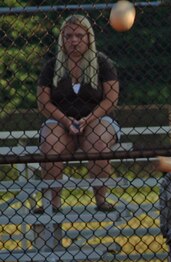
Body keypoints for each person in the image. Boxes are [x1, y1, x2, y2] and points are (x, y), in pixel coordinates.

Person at [37, 14, 117, 212]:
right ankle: (52, 202)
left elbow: (111, 99)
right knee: (50, 142)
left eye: (80, 35)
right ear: (62, 39)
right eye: (69, 36)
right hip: (60, 121)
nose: (74, 40)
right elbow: (43, 102)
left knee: (99, 140)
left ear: (89, 37)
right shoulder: (52, 65)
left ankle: (101, 199)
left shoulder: (102, 62)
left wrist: (89, 119)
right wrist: (65, 121)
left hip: (97, 119)